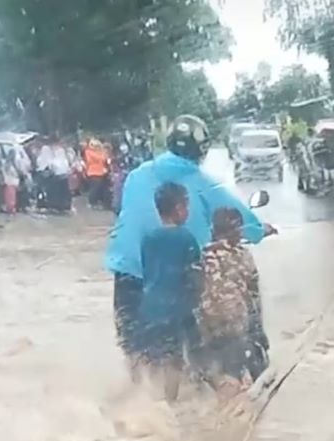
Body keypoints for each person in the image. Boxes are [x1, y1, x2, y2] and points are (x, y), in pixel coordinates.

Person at [105, 114, 275, 366]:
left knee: (134, 351)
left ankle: (140, 396)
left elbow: (122, 212)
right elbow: (241, 219)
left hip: (127, 274)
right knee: (201, 341)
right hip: (176, 280)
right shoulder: (204, 184)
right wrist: (261, 229)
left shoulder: (136, 175)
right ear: (202, 150)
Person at [134, 182, 201, 402]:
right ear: (180, 208)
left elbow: (148, 271)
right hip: (176, 309)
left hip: (149, 306)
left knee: (153, 358)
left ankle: (148, 402)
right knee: (175, 361)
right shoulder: (186, 239)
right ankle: (170, 405)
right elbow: (194, 275)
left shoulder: (148, 238)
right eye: (187, 206)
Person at [197, 208, 269, 394]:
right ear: (235, 230)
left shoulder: (201, 256)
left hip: (209, 331)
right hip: (236, 329)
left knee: (216, 378)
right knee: (244, 379)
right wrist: (260, 333)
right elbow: (253, 298)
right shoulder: (241, 256)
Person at [84, 139, 110, 209]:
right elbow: (93, 159)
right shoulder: (88, 152)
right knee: (94, 188)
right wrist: (100, 156)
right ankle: (91, 202)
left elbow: (105, 159)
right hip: (93, 172)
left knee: (100, 188)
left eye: (97, 146)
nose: (95, 147)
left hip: (101, 172)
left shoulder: (100, 152)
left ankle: (98, 201)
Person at [2, 149, 20, 214]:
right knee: (11, 197)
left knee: (11, 197)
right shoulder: (9, 165)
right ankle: (10, 209)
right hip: (10, 182)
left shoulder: (10, 164)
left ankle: (11, 209)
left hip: (11, 182)